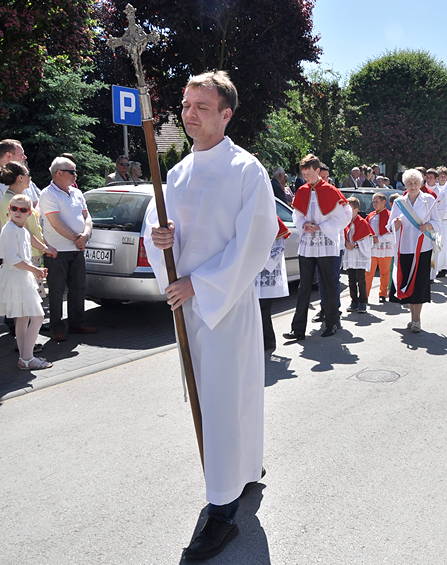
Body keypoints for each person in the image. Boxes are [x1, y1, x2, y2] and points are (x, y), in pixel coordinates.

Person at [144, 71, 278, 560]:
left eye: (202, 105)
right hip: (190, 304)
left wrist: (199, 283)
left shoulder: (247, 171)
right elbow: (156, 233)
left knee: (225, 402)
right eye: (185, 104)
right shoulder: (174, 175)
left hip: (226, 304)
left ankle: (222, 510)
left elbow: (256, 238)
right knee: (225, 397)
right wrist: (162, 243)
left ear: (226, 113)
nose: (190, 112)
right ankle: (244, 473)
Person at [283, 154, 350, 340]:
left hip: (326, 243)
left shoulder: (330, 190)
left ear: (318, 171)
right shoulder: (302, 190)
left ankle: (331, 323)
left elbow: (345, 215)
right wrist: (304, 224)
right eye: (304, 175)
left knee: (328, 285)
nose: (307, 178)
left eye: (310, 174)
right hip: (308, 243)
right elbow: (297, 214)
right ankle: (298, 329)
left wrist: (322, 226)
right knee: (303, 286)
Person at [40, 156, 96, 341]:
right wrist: (76, 238)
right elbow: (56, 223)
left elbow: (87, 217)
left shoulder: (77, 193)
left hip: (77, 249)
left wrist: (85, 235)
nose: (76, 175)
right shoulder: (48, 194)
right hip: (58, 251)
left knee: (78, 287)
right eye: (72, 172)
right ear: (59, 173)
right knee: (56, 290)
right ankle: (56, 327)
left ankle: (77, 323)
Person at [0, 194, 54, 369]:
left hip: (22, 277)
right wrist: (36, 270)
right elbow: (12, 260)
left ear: (29, 213)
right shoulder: (9, 230)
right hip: (16, 278)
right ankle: (28, 357)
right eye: (14, 208)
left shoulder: (20, 230)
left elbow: (27, 246)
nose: (17, 212)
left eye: (22, 210)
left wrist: (37, 265)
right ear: (9, 210)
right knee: (38, 317)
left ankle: (25, 358)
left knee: (23, 318)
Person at [389, 169, 436, 332]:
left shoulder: (429, 200)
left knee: (420, 284)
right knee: (408, 282)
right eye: (410, 183)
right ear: (405, 184)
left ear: (421, 183)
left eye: (416, 182)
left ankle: (417, 319)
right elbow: (390, 225)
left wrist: (429, 225)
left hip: (423, 248)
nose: (413, 185)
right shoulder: (399, 202)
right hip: (405, 247)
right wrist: (395, 225)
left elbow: (438, 222)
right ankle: (412, 316)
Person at [256, 217, 290, 352]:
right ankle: (257, 341)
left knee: (264, 308)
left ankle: (268, 342)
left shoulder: (273, 220)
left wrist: (261, 265)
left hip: (265, 272)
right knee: (254, 309)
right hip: (251, 272)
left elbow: (279, 247)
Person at [342, 197, 374, 313]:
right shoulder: (345, 222)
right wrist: (346, 243)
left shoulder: (362, 223)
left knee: (361, 280)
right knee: (351, 280)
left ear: (356, 209)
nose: (347, 212)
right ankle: (354, 301)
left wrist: (355, 245)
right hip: (349, 255)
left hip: (359, 255)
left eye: (350, 209)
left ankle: (362, 302)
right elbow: (342, 237)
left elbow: (367, 241)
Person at [365, 193, 393, 304]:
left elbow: (393, 234)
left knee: (385, 273)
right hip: (371, 248)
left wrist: (379, 239)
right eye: (373, 202)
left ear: (383, 202)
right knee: (368, 273)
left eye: (376, 201)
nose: (374, 204)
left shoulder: (390, 215)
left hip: (385, 248)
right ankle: (364, 295)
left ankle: (383, 294)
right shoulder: (371, 215)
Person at [0, 139, 41, 205]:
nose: (25, 157)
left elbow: (40, 200)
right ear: (8, 156)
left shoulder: (25, 178)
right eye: (21, 154)